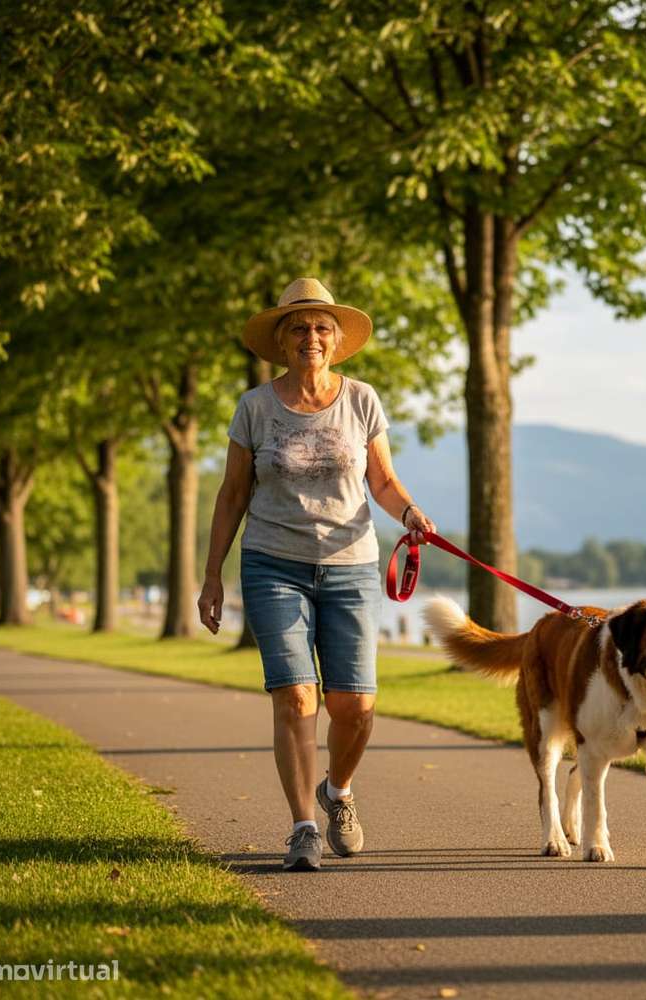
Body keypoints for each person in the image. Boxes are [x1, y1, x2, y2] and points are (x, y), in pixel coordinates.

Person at [197, 277, 436, 871]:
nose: (312, 337)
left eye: (322, 327)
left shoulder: (361, 399)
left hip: (352, 565)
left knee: (354, 705)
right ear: (281, 339)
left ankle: (338, 793)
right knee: (297, 697)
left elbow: (380, 480)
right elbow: (231, 495)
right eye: (299, 327)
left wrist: (408, 512)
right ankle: (303, 825)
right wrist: (210, 577)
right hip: (273, 563)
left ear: (336, 339)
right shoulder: (254, 407)